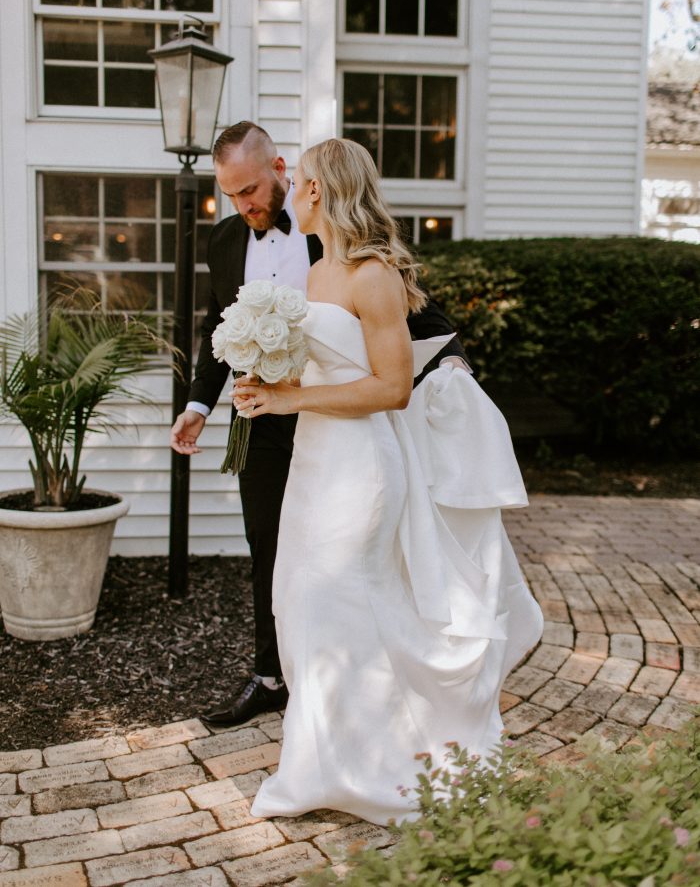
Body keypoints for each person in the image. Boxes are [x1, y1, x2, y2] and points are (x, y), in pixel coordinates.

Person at [233, 137, 544, 826]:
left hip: (362, 471)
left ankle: (391, 763)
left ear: (319, 190)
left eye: (301, 179)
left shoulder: (374, 276)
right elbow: (322, 371)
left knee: (339, 603)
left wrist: (290, 402)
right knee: (301, 602)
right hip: (316, 466)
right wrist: (265, 383)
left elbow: (393, 387)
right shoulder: (318, 275)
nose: (291, 190)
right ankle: (326, 765)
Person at [169, 122, 470, 728]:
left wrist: (455, 368)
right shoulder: (225, 240)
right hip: (260, 418)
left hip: (333, 418)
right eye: (230, 195)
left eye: (251, 189)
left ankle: (359, 692)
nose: (244, 205)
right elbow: (214, 328)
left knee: (344, 557)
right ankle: (272, 676)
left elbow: (408, 316)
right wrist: (199, 404)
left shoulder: (332, 238)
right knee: (272, 551)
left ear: (284, 171)